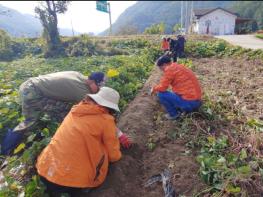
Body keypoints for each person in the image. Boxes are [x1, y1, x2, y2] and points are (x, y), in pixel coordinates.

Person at [1, 71, 131, 155]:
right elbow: (96, 113)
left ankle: (65, 131)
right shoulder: (80, 92)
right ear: (91, 82)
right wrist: (119, 134)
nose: (99, 90)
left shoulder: (80, 76)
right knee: (31, 121)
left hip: (35, 84)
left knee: (64, 112)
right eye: (99, 87)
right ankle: (6, 149)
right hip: (32, 91)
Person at [36, 87, 122, 196]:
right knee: (102, 151)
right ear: (110, 107)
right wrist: (118, 156)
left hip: (45, 170)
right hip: (71, 183)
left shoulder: (76, 110)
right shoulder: (106, 120)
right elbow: (113, 154)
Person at [150, 55, 202, 120]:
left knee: (161, 94)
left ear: (164, 64)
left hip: (190, 103)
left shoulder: (169, 69)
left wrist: (154, 89)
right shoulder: (178, 66)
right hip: (197, 101)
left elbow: (163, 87)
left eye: (161, 68)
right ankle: (182, 108)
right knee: (174, 93)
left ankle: (174, 115)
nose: (162, 71)